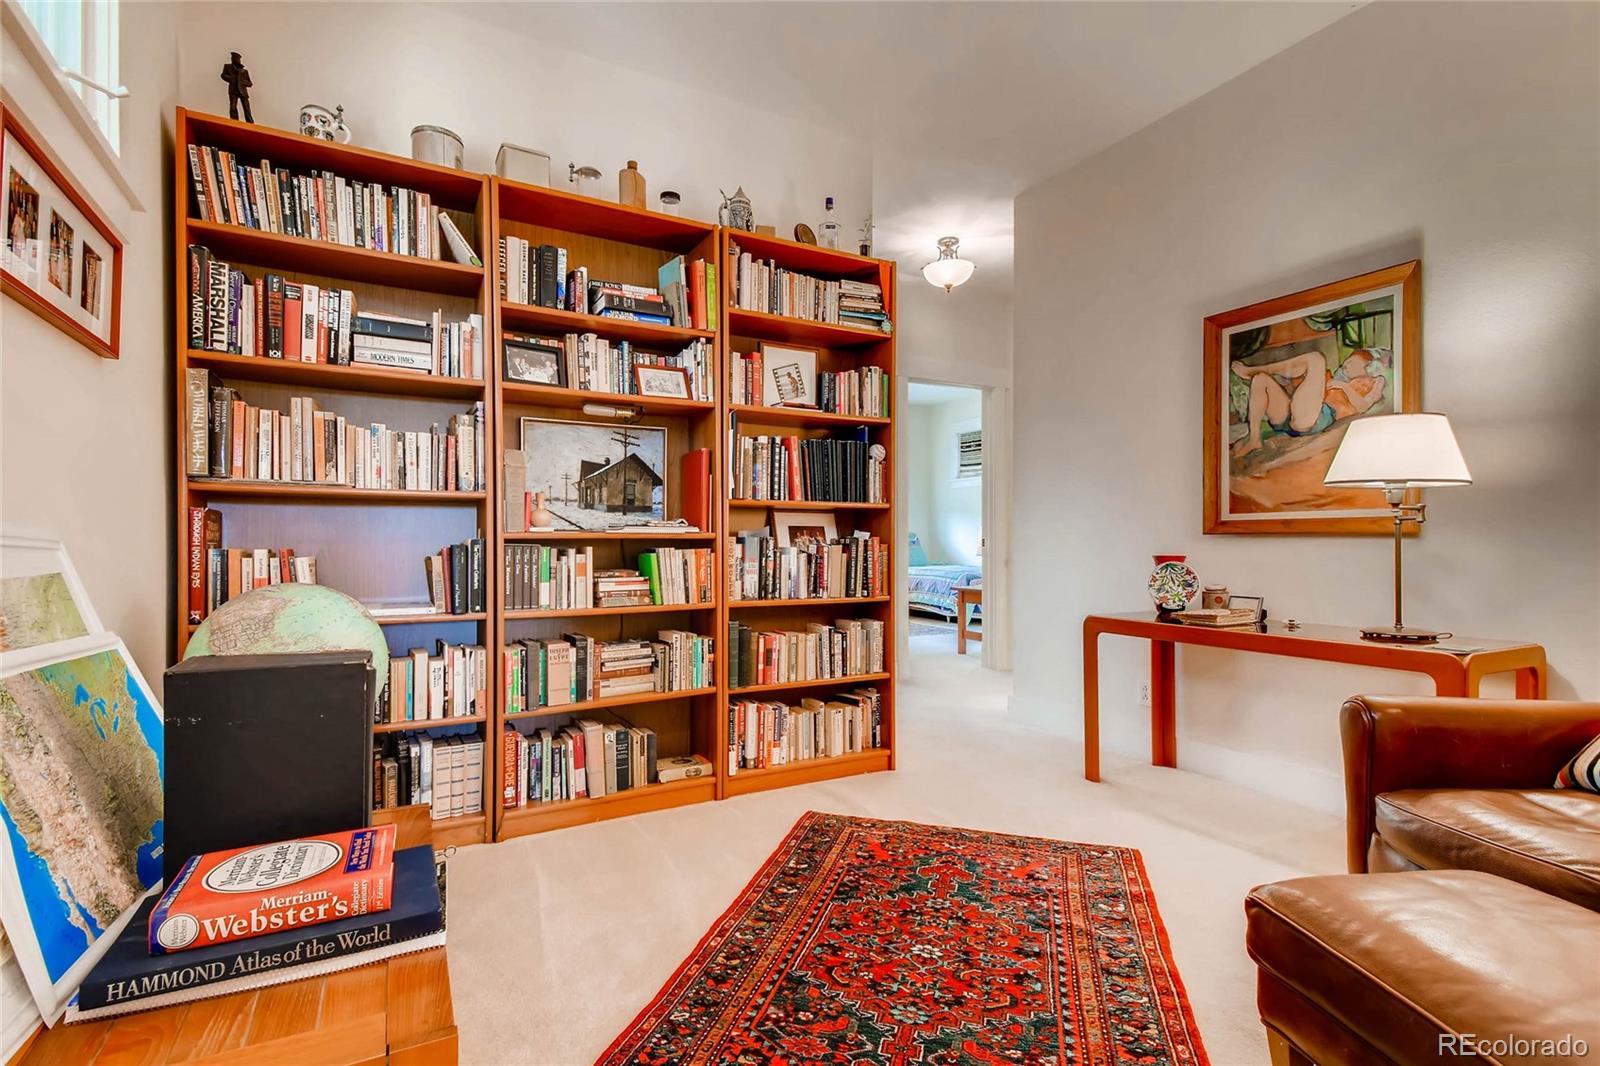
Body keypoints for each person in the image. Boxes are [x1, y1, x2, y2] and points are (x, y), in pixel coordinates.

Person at [1231, 348, 1388, 457]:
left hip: (1318, 418)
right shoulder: (1341, 378)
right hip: (1290, 418)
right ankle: (1254, 439)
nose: (1345, 365)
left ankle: (1252, 370)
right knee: (1260, 380)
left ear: (1368, 365)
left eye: (1351, 362)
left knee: (1316, 359)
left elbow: (1363, 406)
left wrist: (1344, 386)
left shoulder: (1374, 382)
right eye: (1345, 363)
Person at [221, 53, 253, 123]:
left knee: (247, 108)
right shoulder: (228, 66)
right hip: (233, 90)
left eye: (234, 58)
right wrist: (232, 79)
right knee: (233, 107)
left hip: (243, 91)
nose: (232, 59)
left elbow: (250, 83)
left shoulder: (244, 71)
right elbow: (223, 75)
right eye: (232, 58)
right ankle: (234, 121)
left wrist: (243, 82)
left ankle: (250, 123)